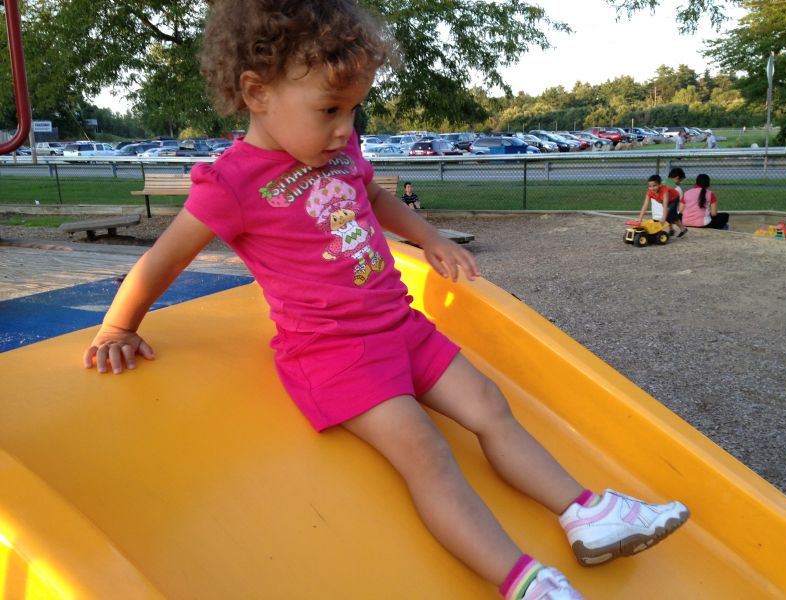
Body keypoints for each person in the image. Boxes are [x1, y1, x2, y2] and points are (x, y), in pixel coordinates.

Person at [82, 2, 689, 598]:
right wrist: (118, 327)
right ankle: (526, 582)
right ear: (257, 92)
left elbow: (373, 199)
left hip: (400, 325)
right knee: (426, 452)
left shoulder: (339, 150)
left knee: (488, 405)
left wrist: (430, 238)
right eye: (329, 109)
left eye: (353, 109)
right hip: (335, 354)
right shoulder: (232, 183)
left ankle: (588, 514)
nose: (345, 128)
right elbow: (164, 259)